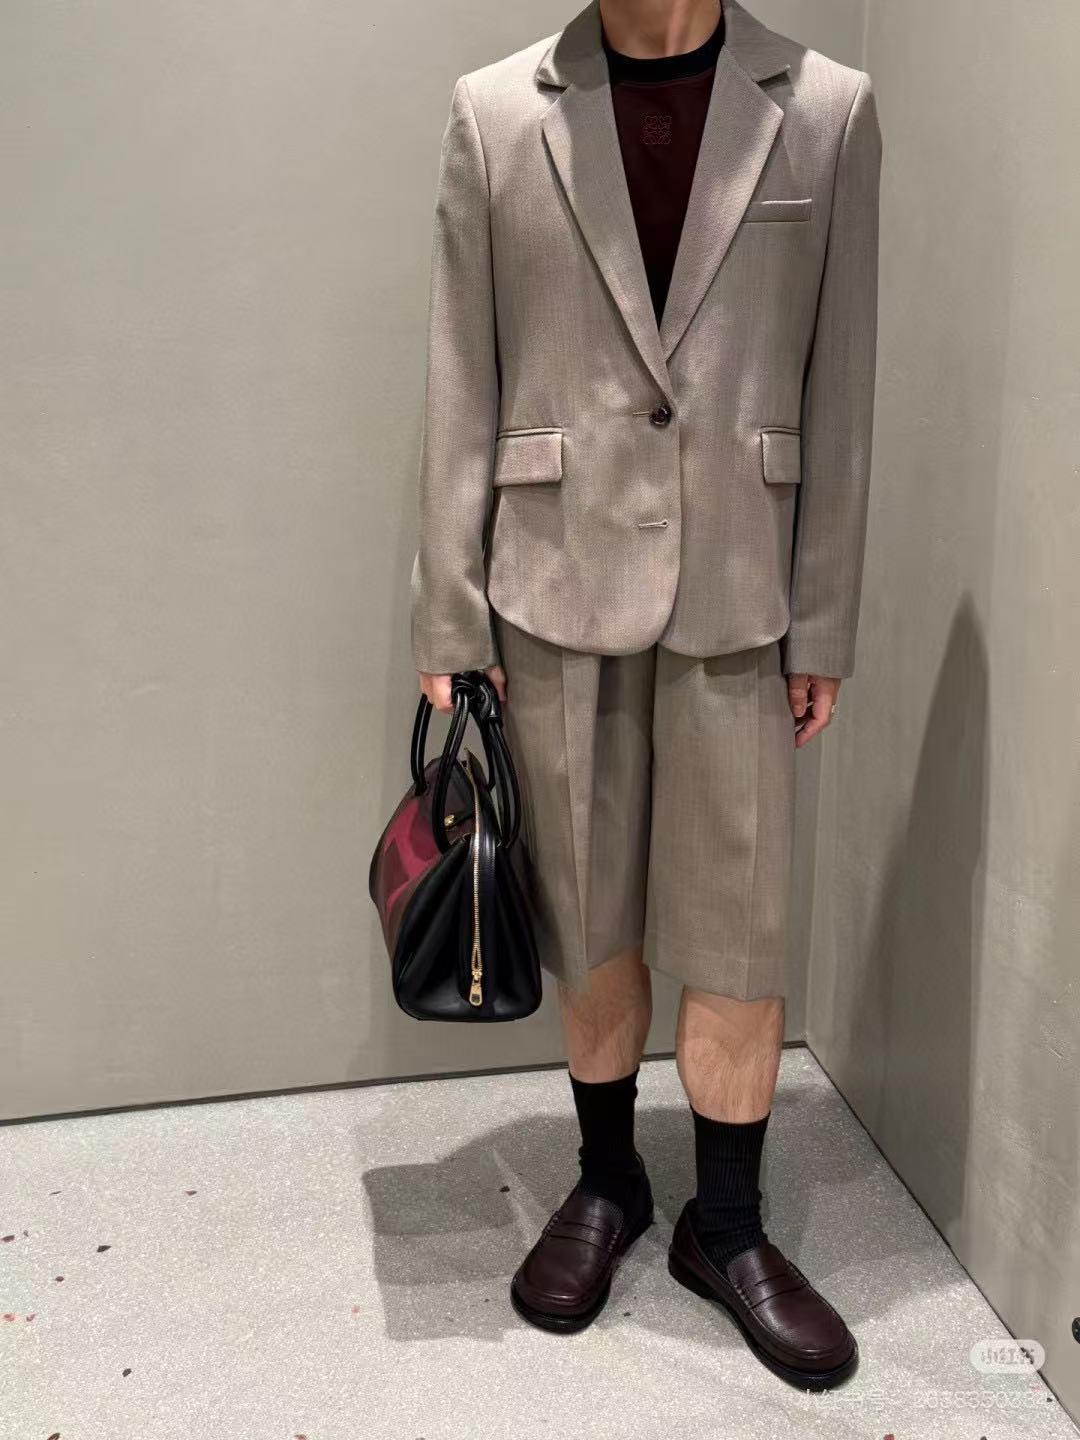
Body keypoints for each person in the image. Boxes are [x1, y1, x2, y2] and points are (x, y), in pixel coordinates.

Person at [410, 0, 880, 1391]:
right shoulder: (498, 111)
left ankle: (725, 1226)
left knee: (740, 927)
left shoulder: (828, 109)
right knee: (588, 908)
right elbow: (458, 376)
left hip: (744, 588)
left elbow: (842, 388)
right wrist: (448, 609)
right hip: (553, 578)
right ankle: (608, 1179)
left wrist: (826, 620)